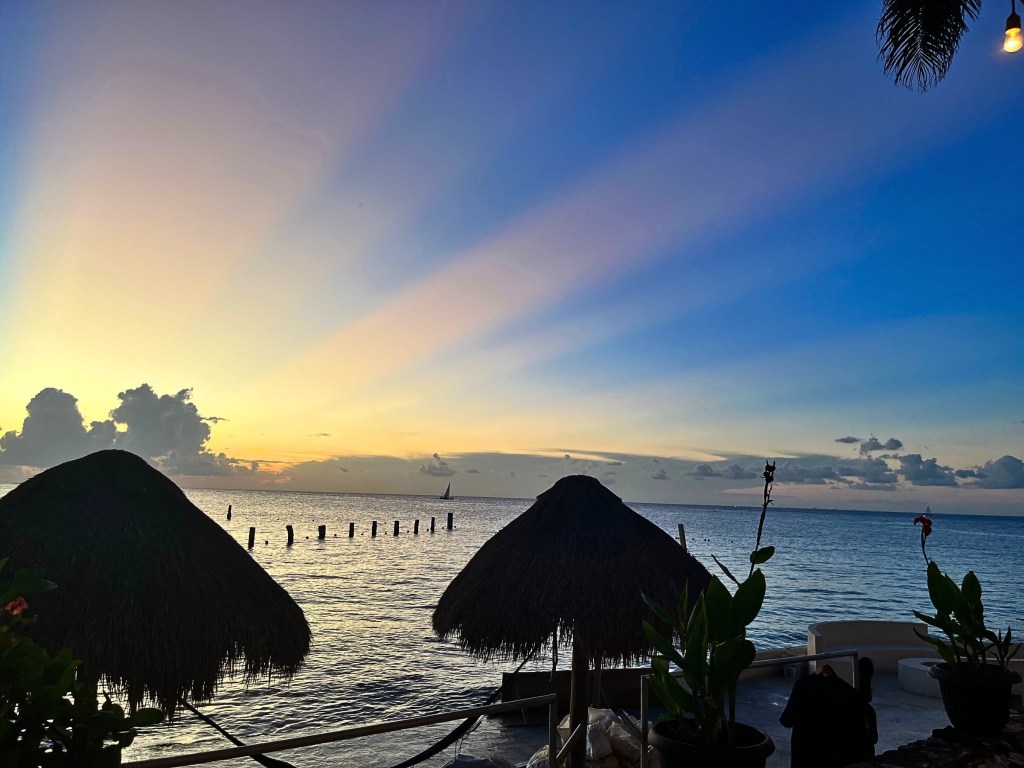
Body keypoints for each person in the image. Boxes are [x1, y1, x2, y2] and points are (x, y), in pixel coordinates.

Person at [779, 661, 877, 768]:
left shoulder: (802, 687)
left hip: (805, 760)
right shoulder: (862, 707)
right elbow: (871, 741)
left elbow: (786, 721)